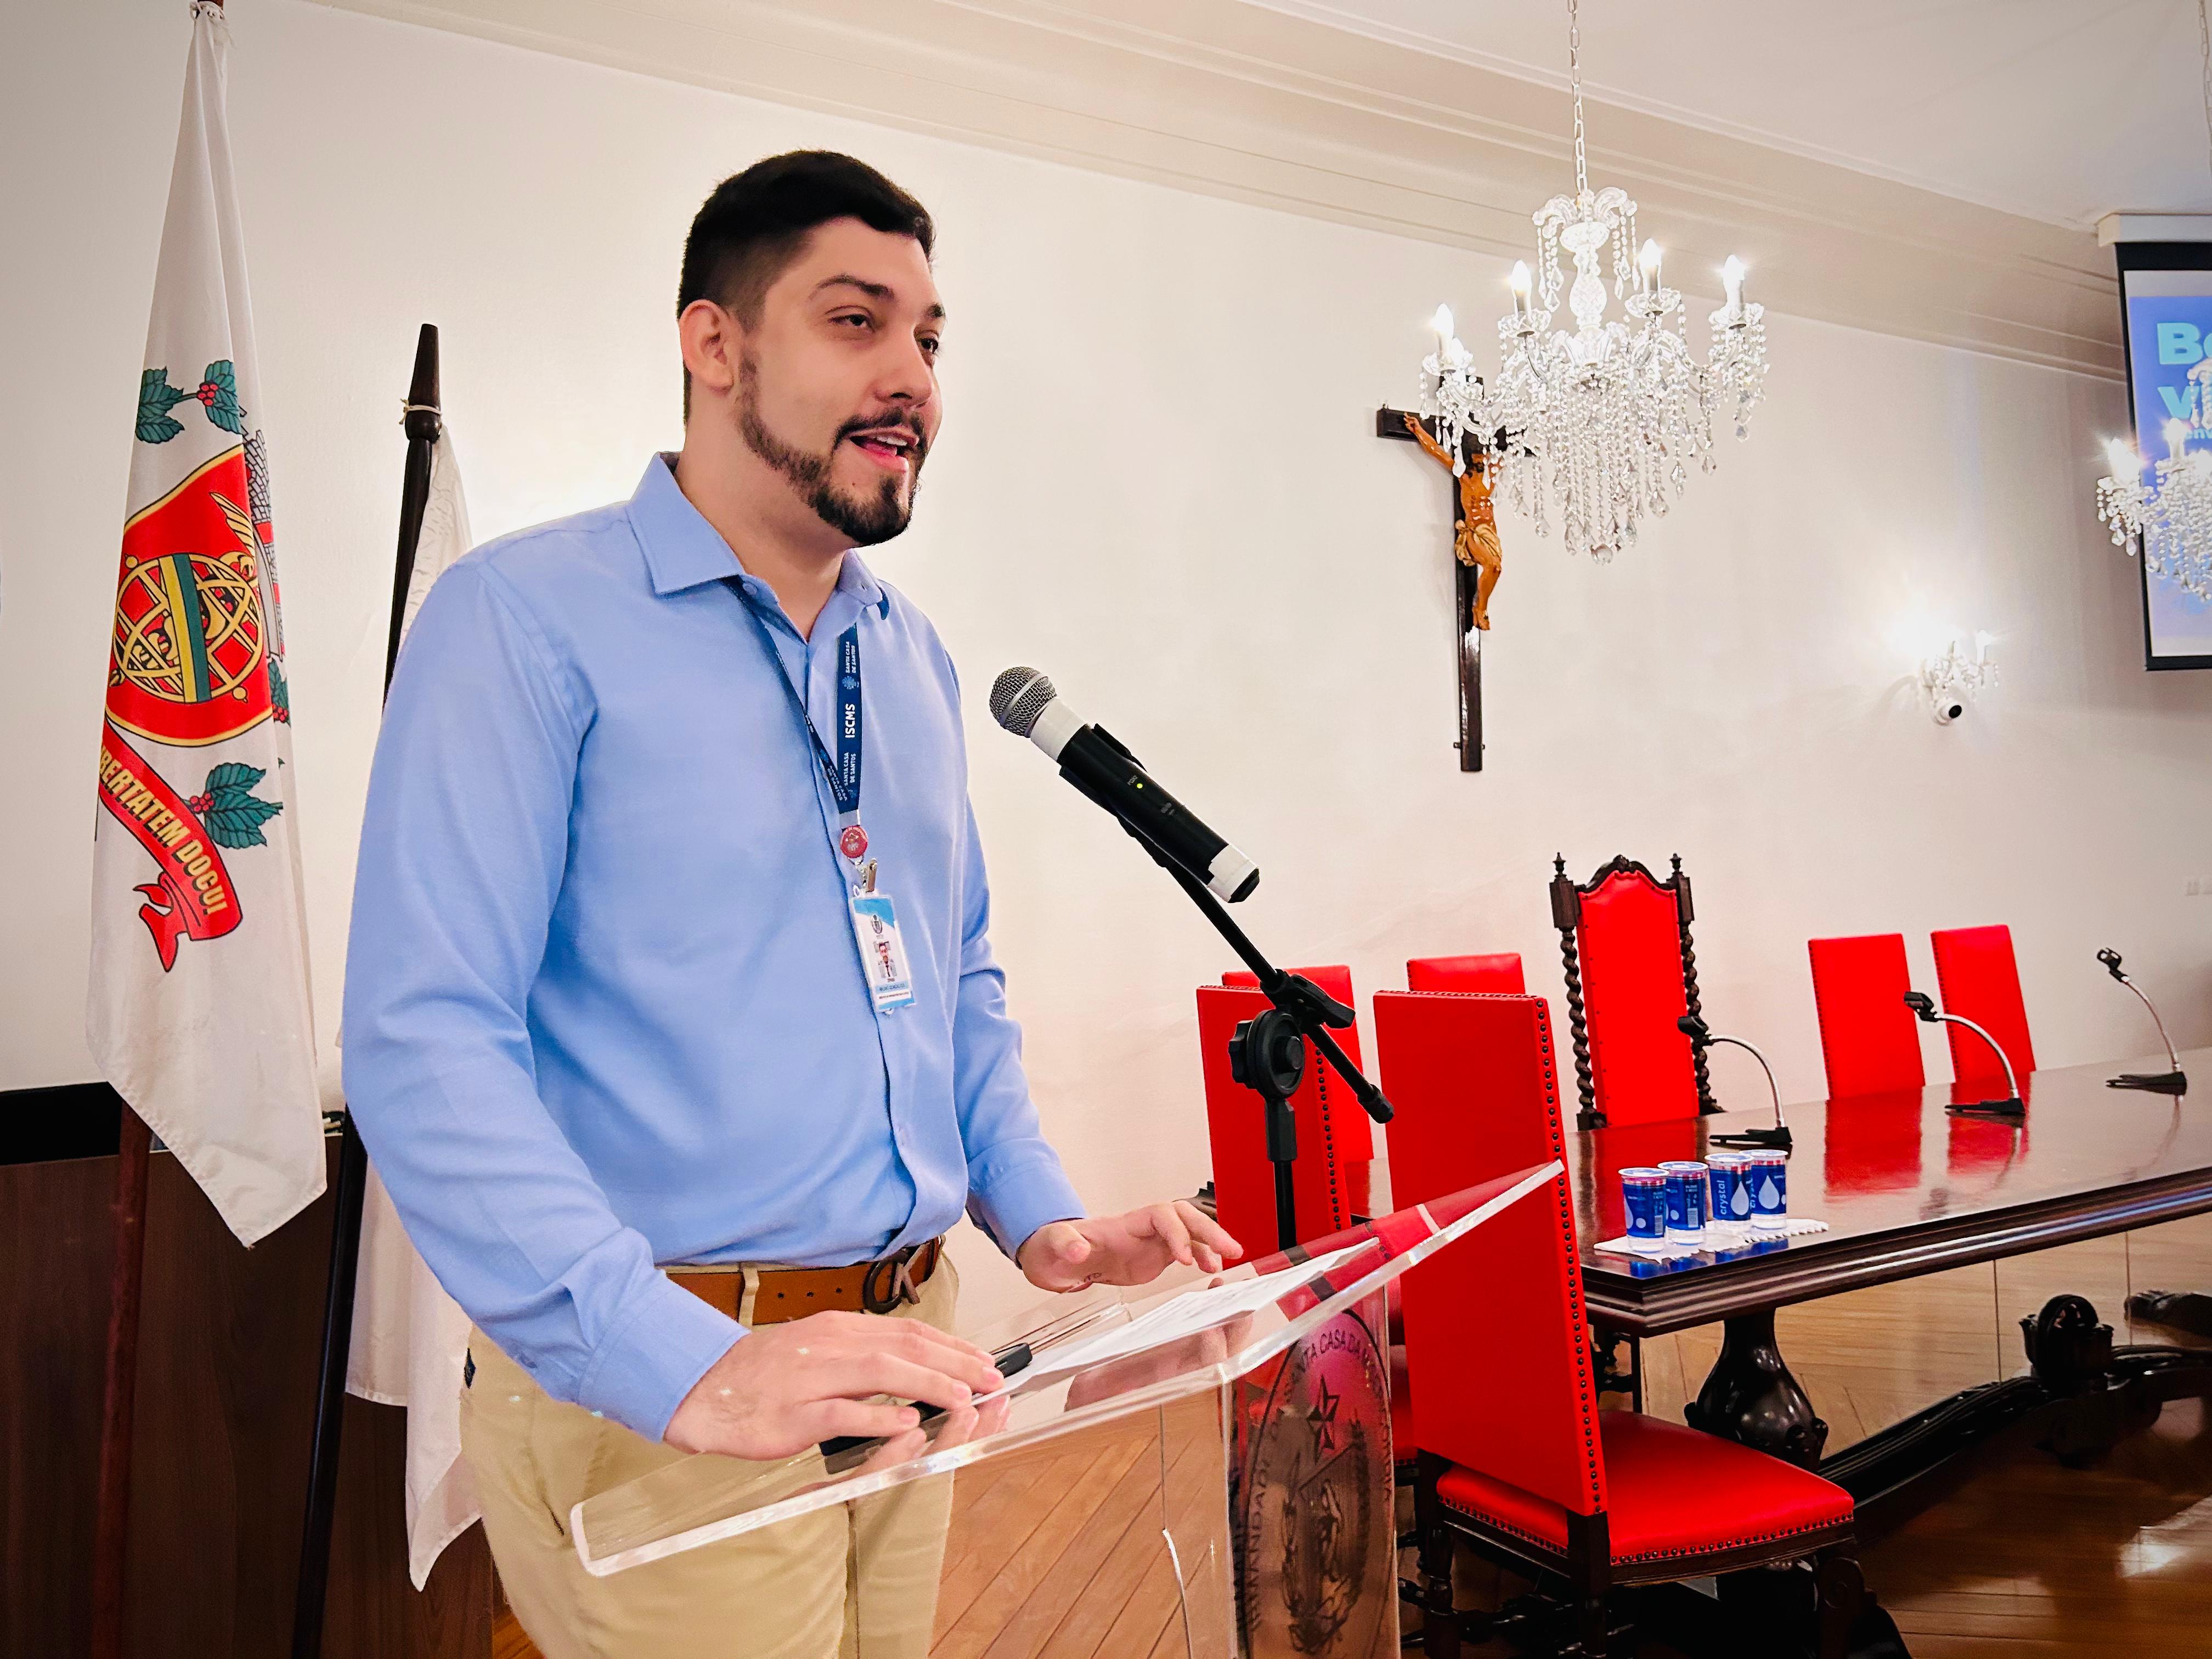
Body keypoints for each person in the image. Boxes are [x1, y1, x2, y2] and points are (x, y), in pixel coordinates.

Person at [342, 150, 1240, 1659]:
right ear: (715, 343)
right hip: (671, 1387)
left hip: (909, 1357)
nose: (914, 379)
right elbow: (424, 1040)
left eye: (930, 338)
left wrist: (1042, 1216)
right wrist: (679, 1362)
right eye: (855, 321)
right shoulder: (523, 623)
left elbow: (950, 978)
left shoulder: (910, 659)